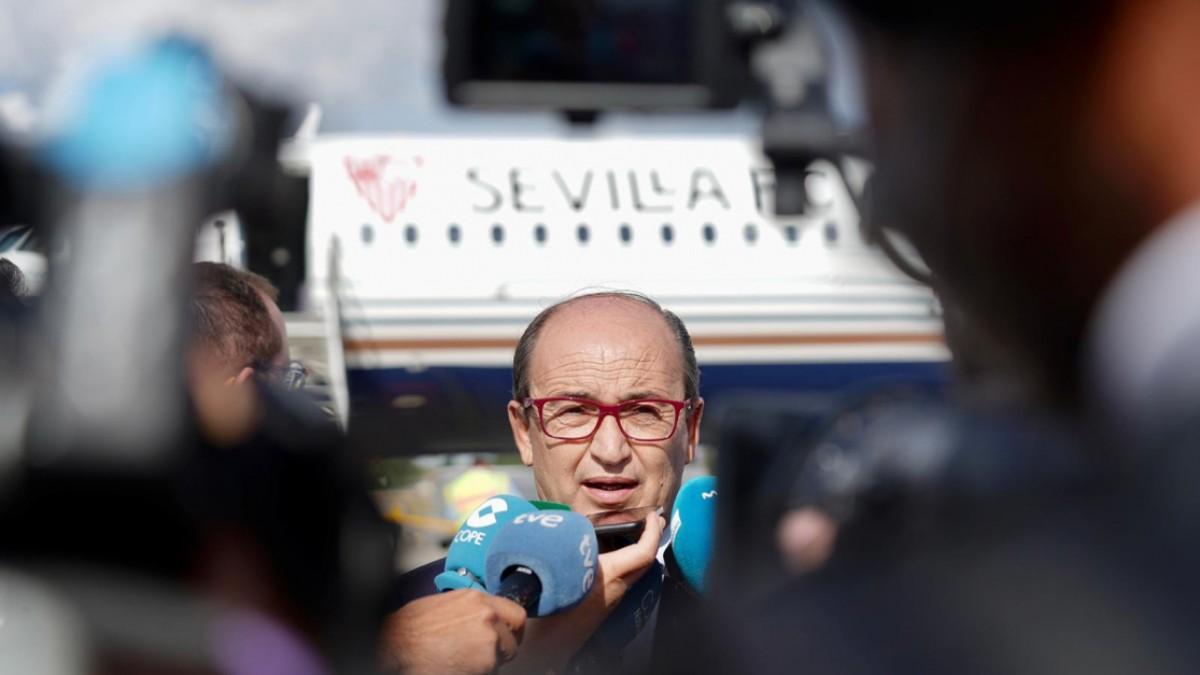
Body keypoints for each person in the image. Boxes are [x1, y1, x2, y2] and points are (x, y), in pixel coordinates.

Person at [380, 291, 704, 674]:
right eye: (573, 411)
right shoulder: (405, 617)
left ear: (691, 429)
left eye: (644, 412)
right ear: (523, 433)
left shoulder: (766, 614)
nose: (611, 448)